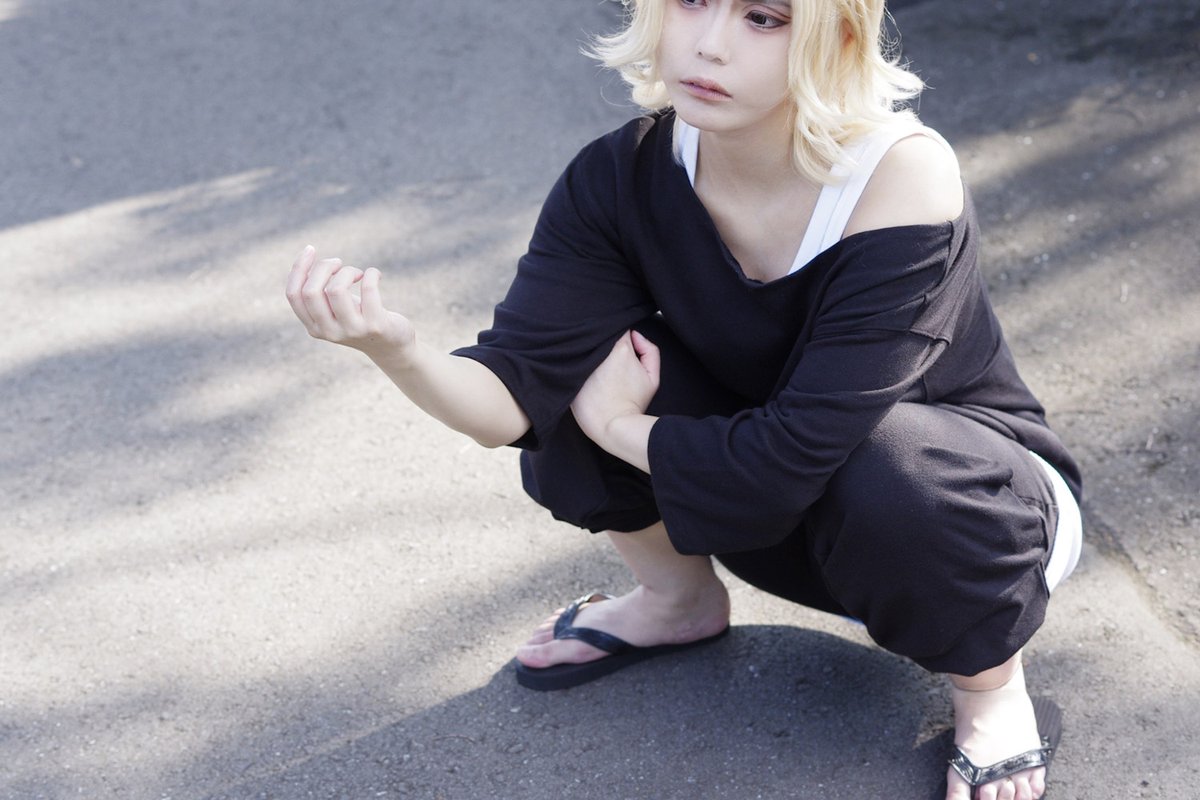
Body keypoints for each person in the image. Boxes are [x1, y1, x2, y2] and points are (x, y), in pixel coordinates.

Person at [285, 1, 1083, 797]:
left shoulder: (900, 176)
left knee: (883, 458)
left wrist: (617, 425)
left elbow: (792, 457)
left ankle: (991, 689)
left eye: (763, 18)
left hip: (963, 526)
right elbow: (514, 398)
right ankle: (677, 600)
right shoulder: (621, 174)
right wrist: (397, 350)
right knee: (586, 362)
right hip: (773, 517)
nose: (710, 46)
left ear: (836, 36)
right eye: (693, 0)